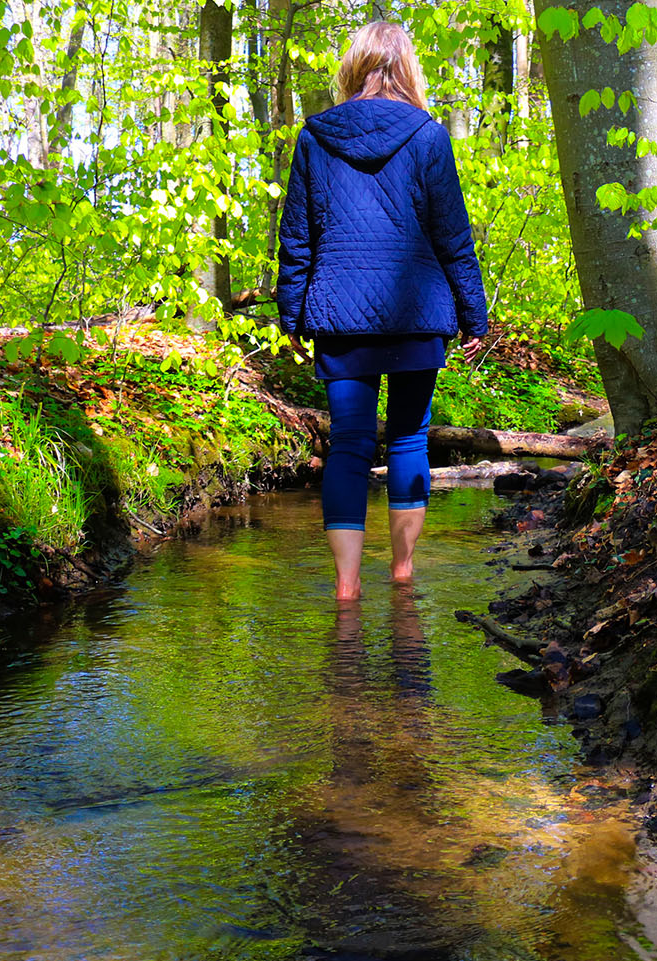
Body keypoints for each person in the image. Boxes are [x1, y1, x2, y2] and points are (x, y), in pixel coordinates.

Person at [276, 21, 489, 600]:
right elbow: (453, 238)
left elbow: (297, 237)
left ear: (354, 67)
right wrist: (476, 317)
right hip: (418, 314)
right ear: (409, 70)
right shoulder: (428, 136)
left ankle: (346, 590)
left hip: (339, 316)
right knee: (409, 440)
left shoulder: (315, 137)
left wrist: (290, 315)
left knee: (348, 443)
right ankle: (401, 575)